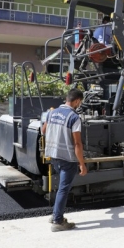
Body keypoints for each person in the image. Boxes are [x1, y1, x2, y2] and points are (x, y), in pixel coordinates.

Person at [42, 89, 88, 232]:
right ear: (76, 101)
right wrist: (82, 164)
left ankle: (56, 214)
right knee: (63, 189)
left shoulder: (51, 113)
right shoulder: (74, 118)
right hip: (67, 158)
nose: (79, 104)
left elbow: (43, 130)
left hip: (54, 155)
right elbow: (77, 144)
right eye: (79, 102)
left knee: (60, 187)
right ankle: (58, 221)